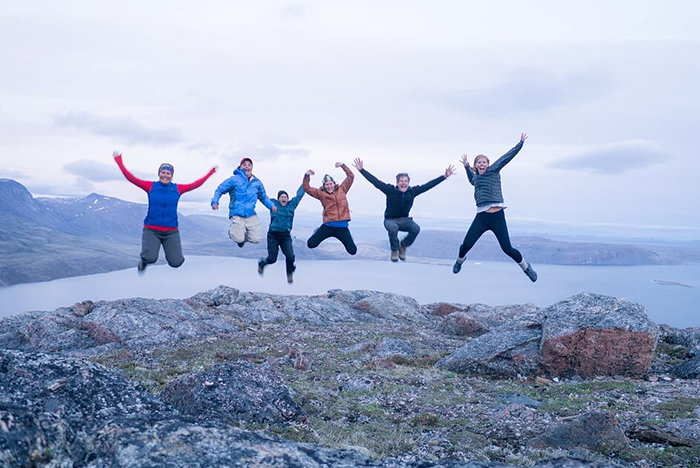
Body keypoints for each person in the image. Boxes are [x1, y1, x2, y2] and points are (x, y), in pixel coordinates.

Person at [113, 151, 217, 273]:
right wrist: (119, 161)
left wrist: (211, 173)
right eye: (163, 172)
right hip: (151, 230)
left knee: (176, 262)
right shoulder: (150, 186)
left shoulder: (177, 189)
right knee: (150, 258)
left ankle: (169, 255)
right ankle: (144, 261)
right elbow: (131, 178)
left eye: (168, 173)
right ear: (159, 174)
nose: (165, 175)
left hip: (171, 231)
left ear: (172, 176)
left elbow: (195, 184)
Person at [453, 133, 537, 281]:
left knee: (507, 248)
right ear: (476, 165)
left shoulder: (494, 170)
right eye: (479, 162)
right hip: (482, 217)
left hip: (497, 217)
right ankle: (460, 261)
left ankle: (526, 268)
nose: (482, 164)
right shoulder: (476, 178)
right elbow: (471, 180)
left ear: (488, 164)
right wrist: (466, 167)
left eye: (484, 162)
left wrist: (520, 144)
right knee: (466, 244)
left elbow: (506, 157)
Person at [353, 158, 455, 262]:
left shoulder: (412, 192)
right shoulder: (390, 190)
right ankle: (394, 250)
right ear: (397, 183)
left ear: (408, 183)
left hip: (405, 220)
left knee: (416, 228)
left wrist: (444, 176)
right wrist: (362, 170)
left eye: (406, 181)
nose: (403, 183)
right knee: (393, 229)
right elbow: (376, 182)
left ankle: (403, 245)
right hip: (390, 220)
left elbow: (428, 186)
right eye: (401, 181)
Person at [211, 157, 276, 247]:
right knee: (238, 239)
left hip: (250, 214)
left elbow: (263, 197)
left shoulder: (256, 182)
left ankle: (242, 234)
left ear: (252, 167)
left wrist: (271, 206)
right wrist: (215, 202)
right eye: (244, 165)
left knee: (256, 239)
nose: (247, 166)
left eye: (249, 165)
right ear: (240, 167)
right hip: (237, 213)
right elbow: (220, 189)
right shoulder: (234, 180)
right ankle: (232, 232)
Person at [303, 162, 357, 255]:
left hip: (342, 227)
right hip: (328, 226)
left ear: (334, 184)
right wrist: (307, 176)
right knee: (311, 244)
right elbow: (307, 188)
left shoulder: (342, 189)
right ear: (324, 186)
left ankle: (349, 237)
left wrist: (343, 166)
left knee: (352, 251)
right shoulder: (321, 194)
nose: (329, 186)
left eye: (330, 184)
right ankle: (317, 231)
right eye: (326, 185)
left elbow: (350, 176)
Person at [258, 182, 305, 283]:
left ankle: (289, 274)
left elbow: (300, 195)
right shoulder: (273, 204)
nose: (284, 198)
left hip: (285, 236)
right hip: (273, 235)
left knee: (290, 256)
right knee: (272, 258)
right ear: (278, 198)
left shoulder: (291, 205)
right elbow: (262, 197)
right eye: (282, 197)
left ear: (288, 199)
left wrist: (306, 177)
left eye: (285, 197)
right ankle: (262, 264)